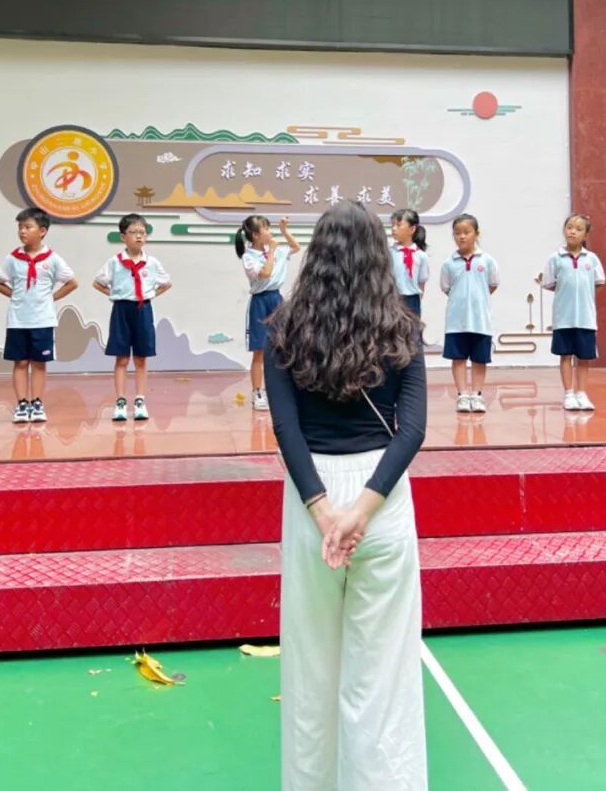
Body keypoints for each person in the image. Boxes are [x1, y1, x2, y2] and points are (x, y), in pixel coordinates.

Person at [265, 200, 428, 791]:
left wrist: (324, 510)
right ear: (377, 255)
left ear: (317, 254)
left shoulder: (284, 327)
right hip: (380, 496)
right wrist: (362, 510)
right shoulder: (401, 325)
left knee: (310, 667)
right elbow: (412, 430)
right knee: (382, 673)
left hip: (313, 497)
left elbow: (285, 428)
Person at [0, 207, 78, 423]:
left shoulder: (53, 259)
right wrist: (15, 296)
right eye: (20, 227)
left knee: (39, 363)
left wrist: (51, 298)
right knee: (20, 363)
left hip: (43, 320)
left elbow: (72, 282)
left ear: (42, 231)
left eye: (27, 227)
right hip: (18, 320)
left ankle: (37, 403)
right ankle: (22, 404)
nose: (22, 231)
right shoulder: (13, 259)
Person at [93, 213, 172, 421]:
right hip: (121, 310)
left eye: (142, 233)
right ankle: (120, 401)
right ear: (123, 237)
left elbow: (166, 283)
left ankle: (140, 400)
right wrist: (114, 294)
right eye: (133, 232)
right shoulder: (115, 262)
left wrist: (150, 294)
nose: (139, 236)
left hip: (143, 310)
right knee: (121, 357)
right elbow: (97, 282)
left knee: (141, 358)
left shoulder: (151, 263)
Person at [538, 214, 606, 410]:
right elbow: (549, 283)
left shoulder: (591, 259)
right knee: (565, 356)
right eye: (569, 227)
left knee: (584, 358)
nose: (573, 232)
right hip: (563, 318)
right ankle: (568, 393)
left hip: (585, 318)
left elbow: (598, 283)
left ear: (586, 234)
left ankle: (581, 393)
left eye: (578, 229)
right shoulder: (555, 258)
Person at [235, 214, 300, 411]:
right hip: (260, 301)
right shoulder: (248, 257)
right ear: (255, 235)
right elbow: (265, 274)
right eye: (266, 229)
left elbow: (296, 247)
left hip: (277, 300)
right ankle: (257, 392)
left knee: (284, 345)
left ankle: (283, 390)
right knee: (260, 349)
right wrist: (271, 251)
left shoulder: (275, 250)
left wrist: (284, 231)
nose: (270, 233)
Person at [440, 213, 498, 413]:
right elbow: (446, 288)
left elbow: (492, 284)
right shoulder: (449, 263)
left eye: (466, 232)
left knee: (479, 359)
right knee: (458, 358)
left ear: (476, 233)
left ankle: (477, 395)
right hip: (456, 322)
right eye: (457, 233)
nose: (462, 236)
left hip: (480, 321)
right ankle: (463, 395)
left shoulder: (487, 260)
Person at [390, 208, 429, 316]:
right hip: (392, 299)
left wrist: (418, 300)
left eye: (398, 225)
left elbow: (421, 282)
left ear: (412, 229)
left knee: (413, 326)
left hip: (412, 301)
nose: (394, 229)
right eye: (392, 225)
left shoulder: (421, 256)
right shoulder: (388, 253)